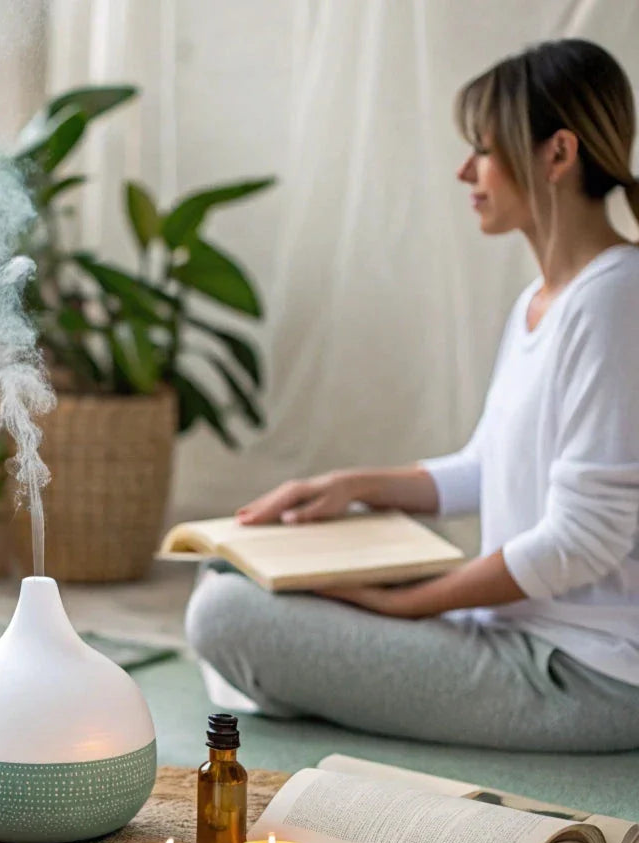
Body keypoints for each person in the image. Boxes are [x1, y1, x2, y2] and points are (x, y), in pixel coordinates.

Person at [185, 39, 639, 752]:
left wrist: (407, 604)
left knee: (225, 618)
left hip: (579, 674)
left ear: (558, 155)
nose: (465, 170)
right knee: (231, 573)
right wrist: (347, 487)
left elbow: (582, 540)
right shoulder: (541, 302)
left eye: (483, 150)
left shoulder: (617, 301)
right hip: (512, 635)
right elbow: (488, 469)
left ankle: (286, 682)